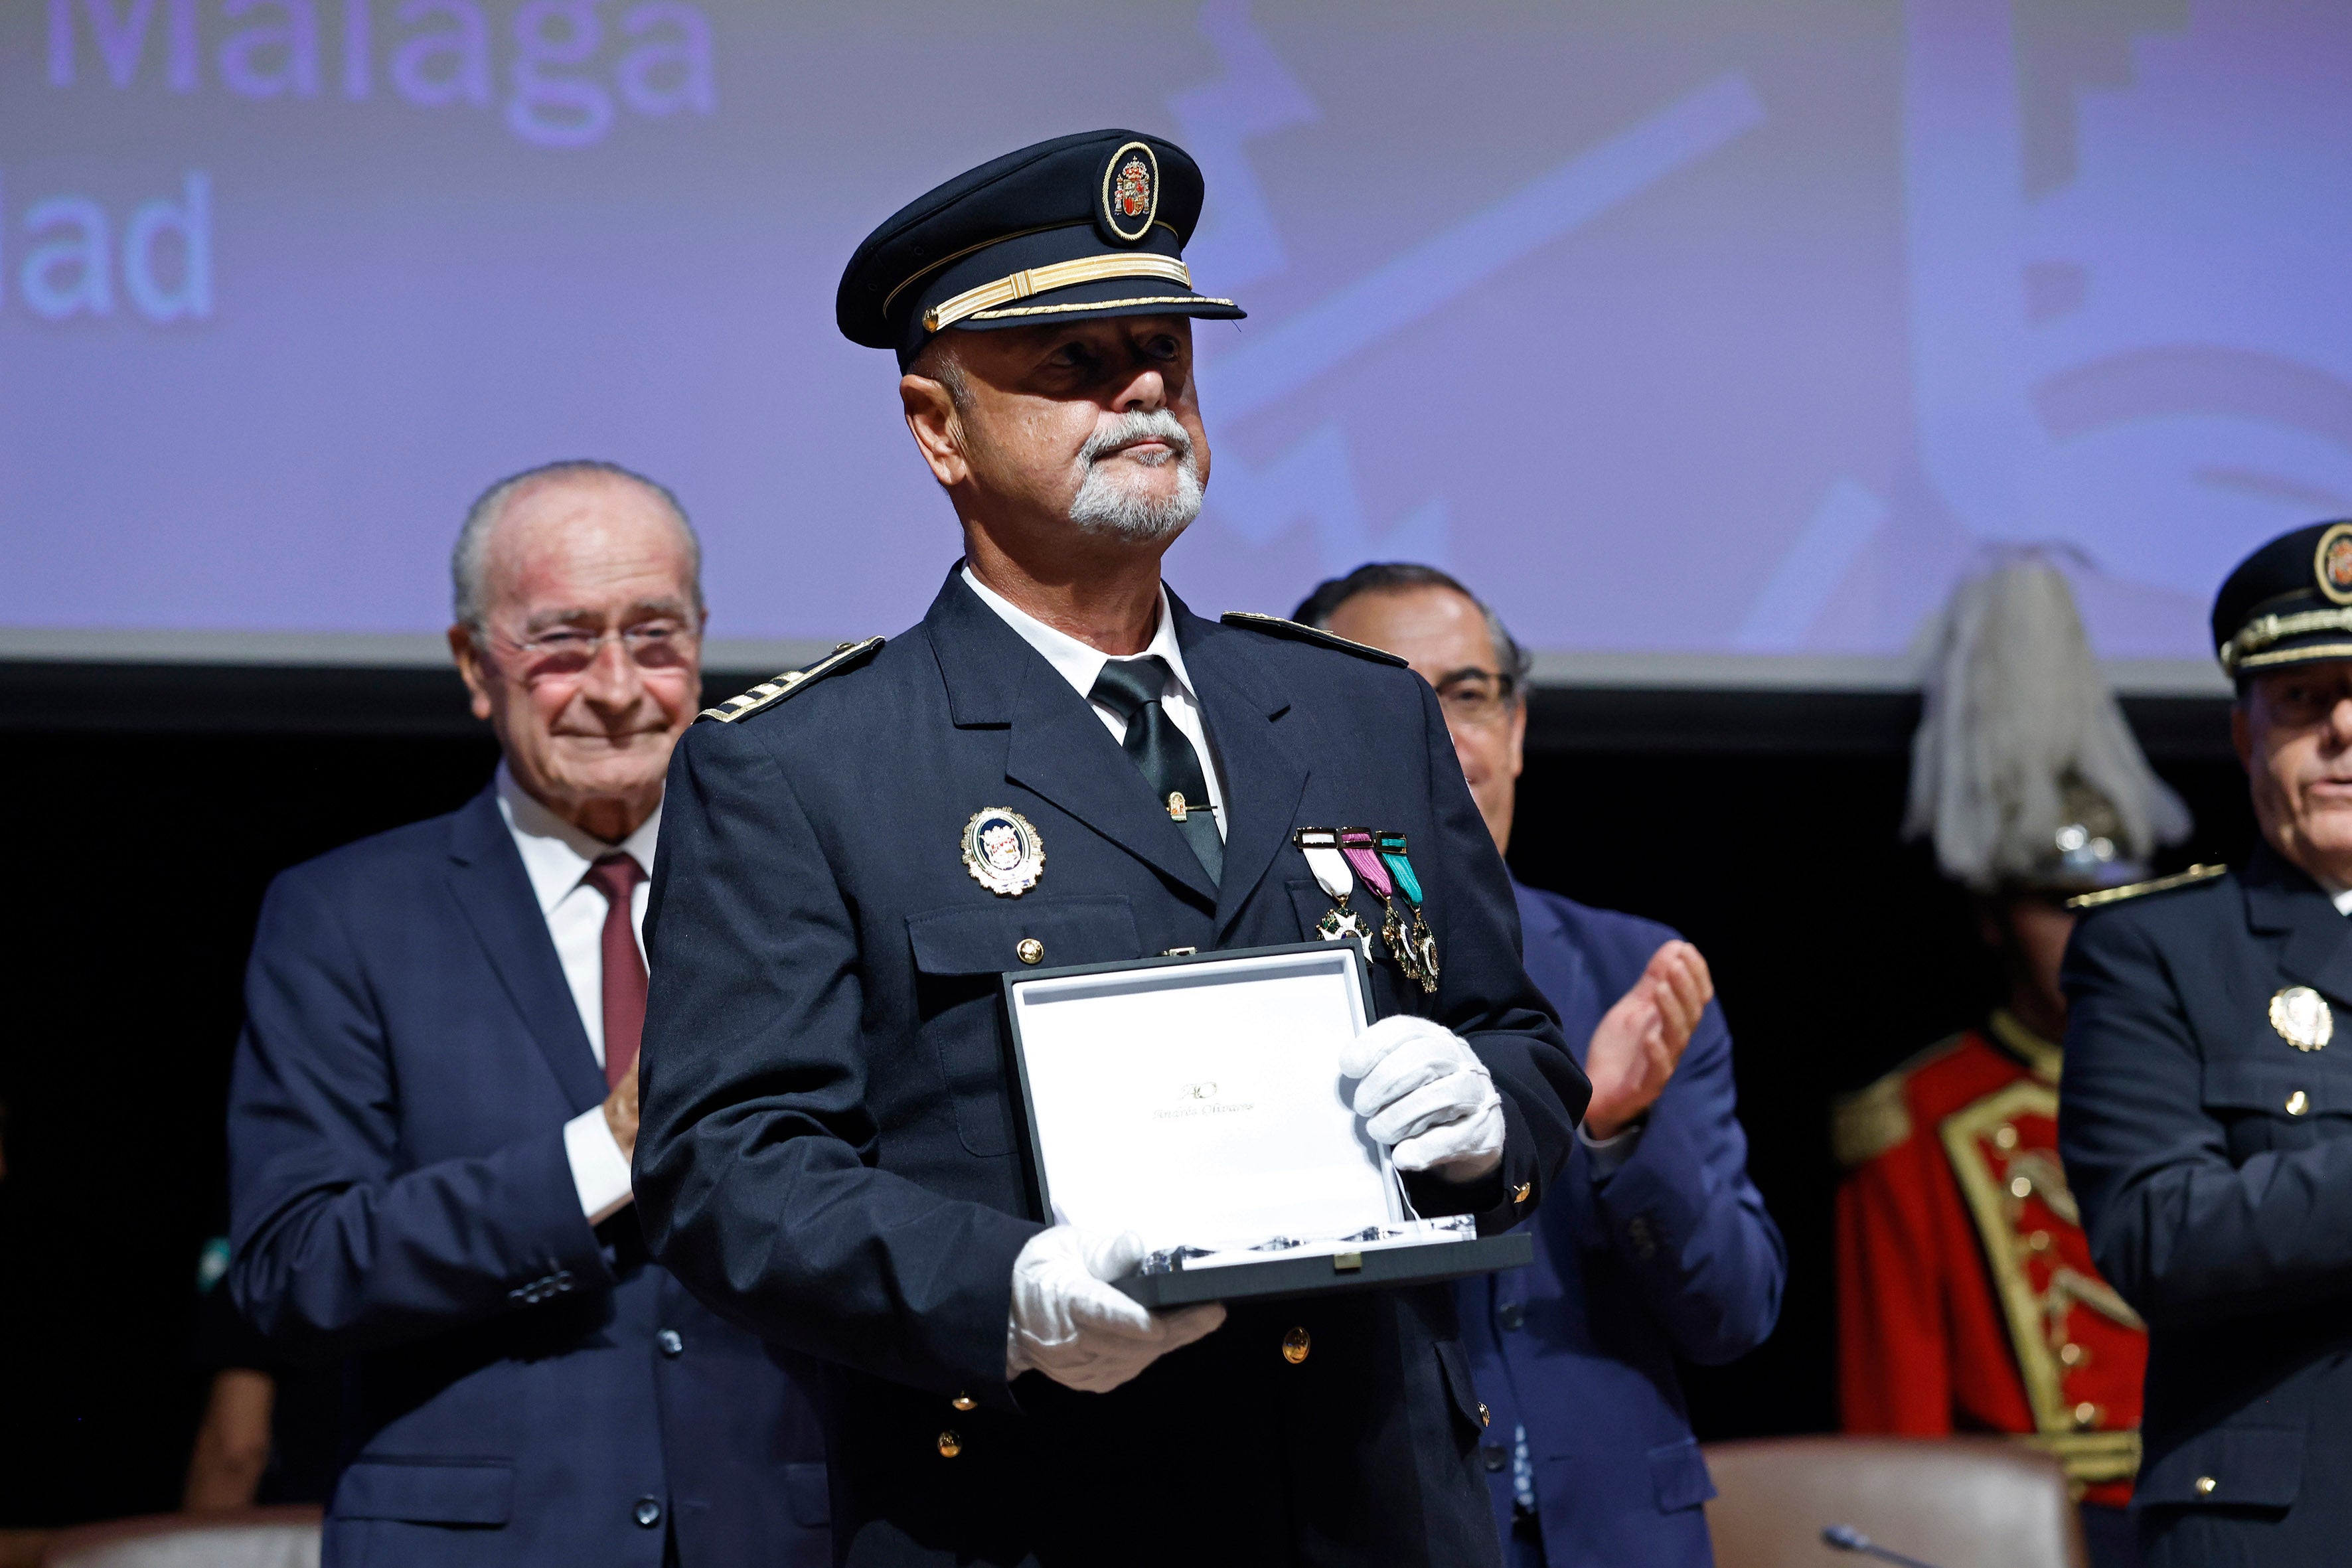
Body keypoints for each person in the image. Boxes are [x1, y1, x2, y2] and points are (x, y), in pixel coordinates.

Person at [633, 131, 1591, 1567]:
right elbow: (728, 1166)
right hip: (1032, 1506)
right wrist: (1003, 1285)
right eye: (1073, 361)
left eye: (1164, 355)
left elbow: (1511, 1035)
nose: (1144, 389)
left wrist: (1488, 1111)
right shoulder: (802, 765)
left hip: (1375, 1505)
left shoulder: (1354, 712)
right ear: (935, 425)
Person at [224, 461, 829, 1566]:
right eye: (562, 643)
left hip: (781, 1531)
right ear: (473, 663)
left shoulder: (805, 893)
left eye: (655, 636)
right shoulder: (346, 915)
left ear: (702, 641)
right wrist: (604, 1152)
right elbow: (293, 1266)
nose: (616, 686)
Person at [1296, 563, 1785, 1568]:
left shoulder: (1633, 973)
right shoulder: (1272, 993)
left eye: (1470, 695)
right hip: (1377, 1527)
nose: (1445, 735)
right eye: (1397, 697)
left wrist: (1616, 1133)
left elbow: (1734, 1311)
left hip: (1624, 1537)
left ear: (1517, 729)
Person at [1836, 556, 2187, 1568]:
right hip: (2017, 1532)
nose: (2086, 935)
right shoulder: (1919, 1118)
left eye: (2108, 906)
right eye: (2054, 906)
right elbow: (1894, 1419)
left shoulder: (2213, 1090)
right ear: (1993, 917)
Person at [2062, 520, 2352, 1568]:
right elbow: (2155, 1232)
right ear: (2245, 736)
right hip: (2278, 1534)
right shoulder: (2157, 948)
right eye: (2304, 699)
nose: (2344, 729)